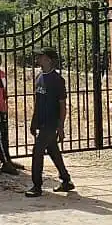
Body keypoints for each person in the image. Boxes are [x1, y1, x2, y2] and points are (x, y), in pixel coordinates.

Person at [26, 48, 75, 197]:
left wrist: (60, 126)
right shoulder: (39, 77)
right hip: (42, 121)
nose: (38, 58)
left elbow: (62, 105)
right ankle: (66, 180)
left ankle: (36, 186)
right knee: (53, 150)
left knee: (38, 151)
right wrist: (34, 122)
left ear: (48, 59)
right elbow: (38, 102)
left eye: (41, 56)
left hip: (51, 122)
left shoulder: (57, 80)